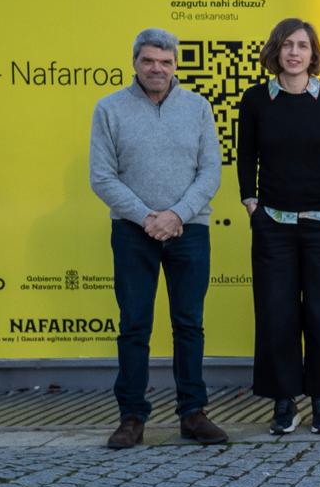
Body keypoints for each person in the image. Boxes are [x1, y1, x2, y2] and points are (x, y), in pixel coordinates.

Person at [90, 27, 225, 449]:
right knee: (134, 324)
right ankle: (131, 417)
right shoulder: (109, 109)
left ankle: (193, 413)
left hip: (190, 229)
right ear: (135, 62)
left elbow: (211, 171)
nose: (157, 68)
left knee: (189, 324)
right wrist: (147, 218)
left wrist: (176, 215)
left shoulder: (198, 107)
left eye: (165, 62)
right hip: (133, 232)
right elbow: (101, 176)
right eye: (148, 60)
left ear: (175, 65)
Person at [236, 18, 320, 436]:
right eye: (287, 44)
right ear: (276, 50)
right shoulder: (256, 99)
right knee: (277, 314)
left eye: (303, 45)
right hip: (273, 225)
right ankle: (284, 401)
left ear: (314, 54)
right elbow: (245, 156)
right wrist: (251, 204)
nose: (294, 52)